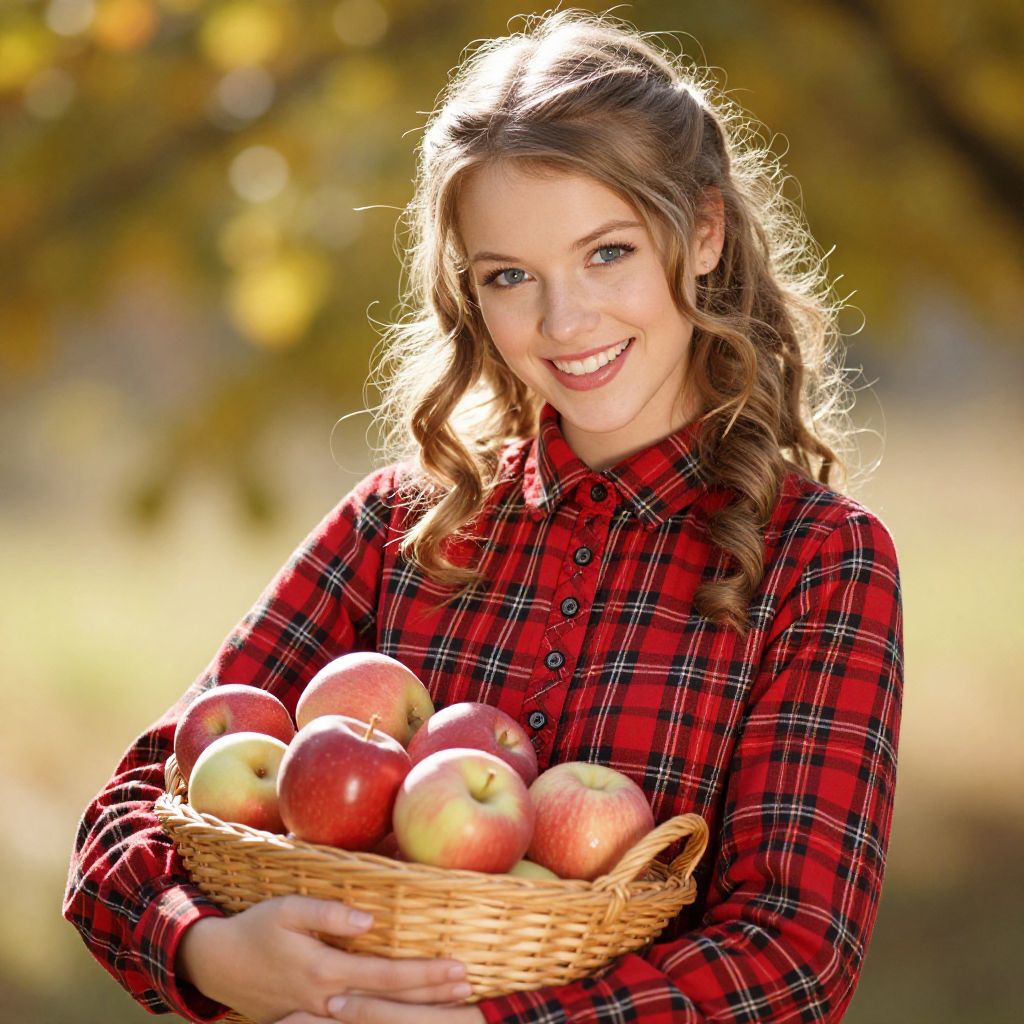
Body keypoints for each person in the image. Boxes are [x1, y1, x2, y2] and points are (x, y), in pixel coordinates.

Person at [63, 9, 903, 1024]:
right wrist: (208, 949)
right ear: (470, 291)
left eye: (607, 253)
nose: (563, 321)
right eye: (510, 276)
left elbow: (792, 955)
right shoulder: (394, 530)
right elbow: (125, 818)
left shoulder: (818, 560)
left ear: (706, 232)